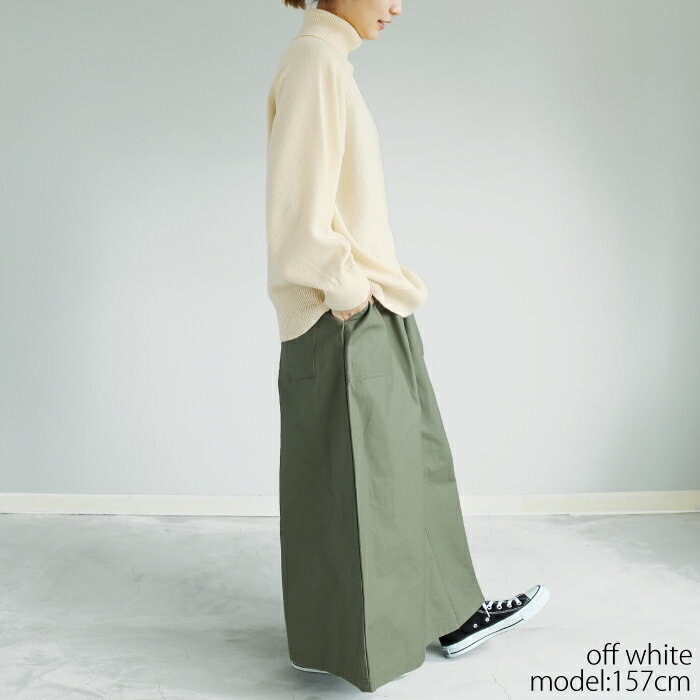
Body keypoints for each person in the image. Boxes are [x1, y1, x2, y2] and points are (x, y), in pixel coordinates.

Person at [265, 0, 550, 692]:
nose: (397, 5)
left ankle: (452, 615)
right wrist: (344, 288)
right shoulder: (315, 61)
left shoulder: (329, 61)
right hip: (343, 311)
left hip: (371, 302)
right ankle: (348, 642)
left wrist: (363, 291)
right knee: (364, 482)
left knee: (410, 465)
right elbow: (298, 209)